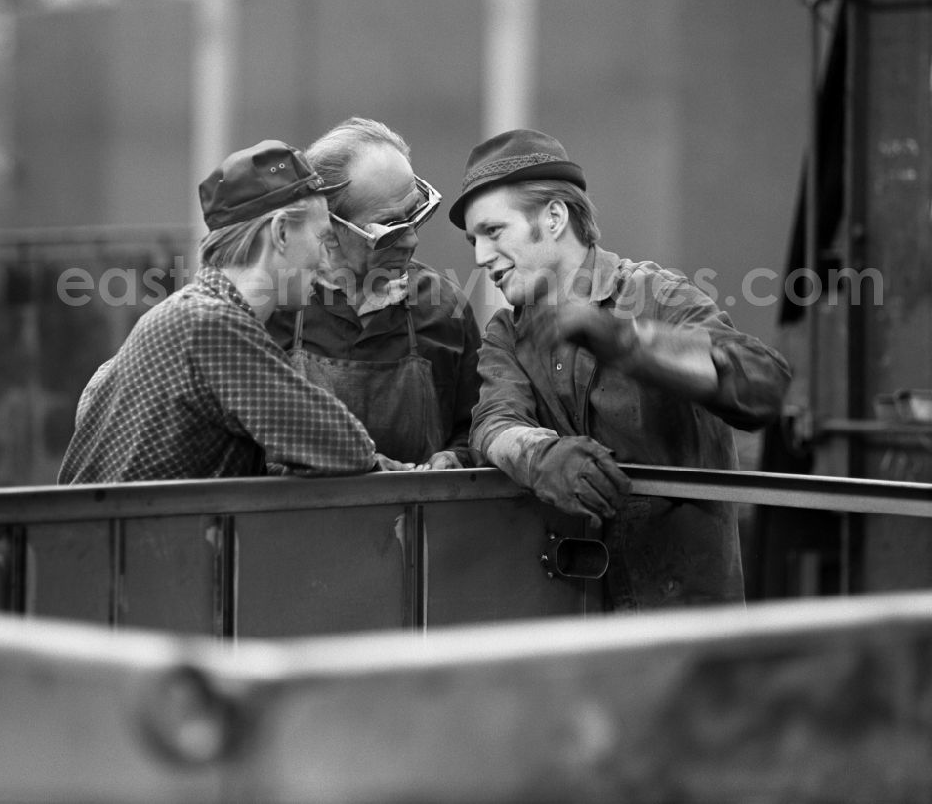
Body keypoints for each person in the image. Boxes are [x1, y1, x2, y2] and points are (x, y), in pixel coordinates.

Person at [450, 128, 792, 609]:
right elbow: (492, 424)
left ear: (552, 217)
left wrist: (630, 343)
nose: (481, 257)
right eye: (473, 241)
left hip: (682, 623)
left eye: (493, 231)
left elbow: (762, 386)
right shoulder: (507, 334)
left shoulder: (656, 298)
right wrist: (541, 456)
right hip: (569, 615)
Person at [59, 139, 380, 484]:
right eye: (322, 239)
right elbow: (346, 448)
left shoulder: (183, 315)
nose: (328, 261)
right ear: (281, 232)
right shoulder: (214, 326)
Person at [267, 118, 482, 470]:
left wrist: (459, 457)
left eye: (416, 216)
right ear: (329, 228)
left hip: (417, 521)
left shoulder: (442, 307)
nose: (412, 241)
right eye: (390, 229)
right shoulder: (274, 312)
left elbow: (474, 426)